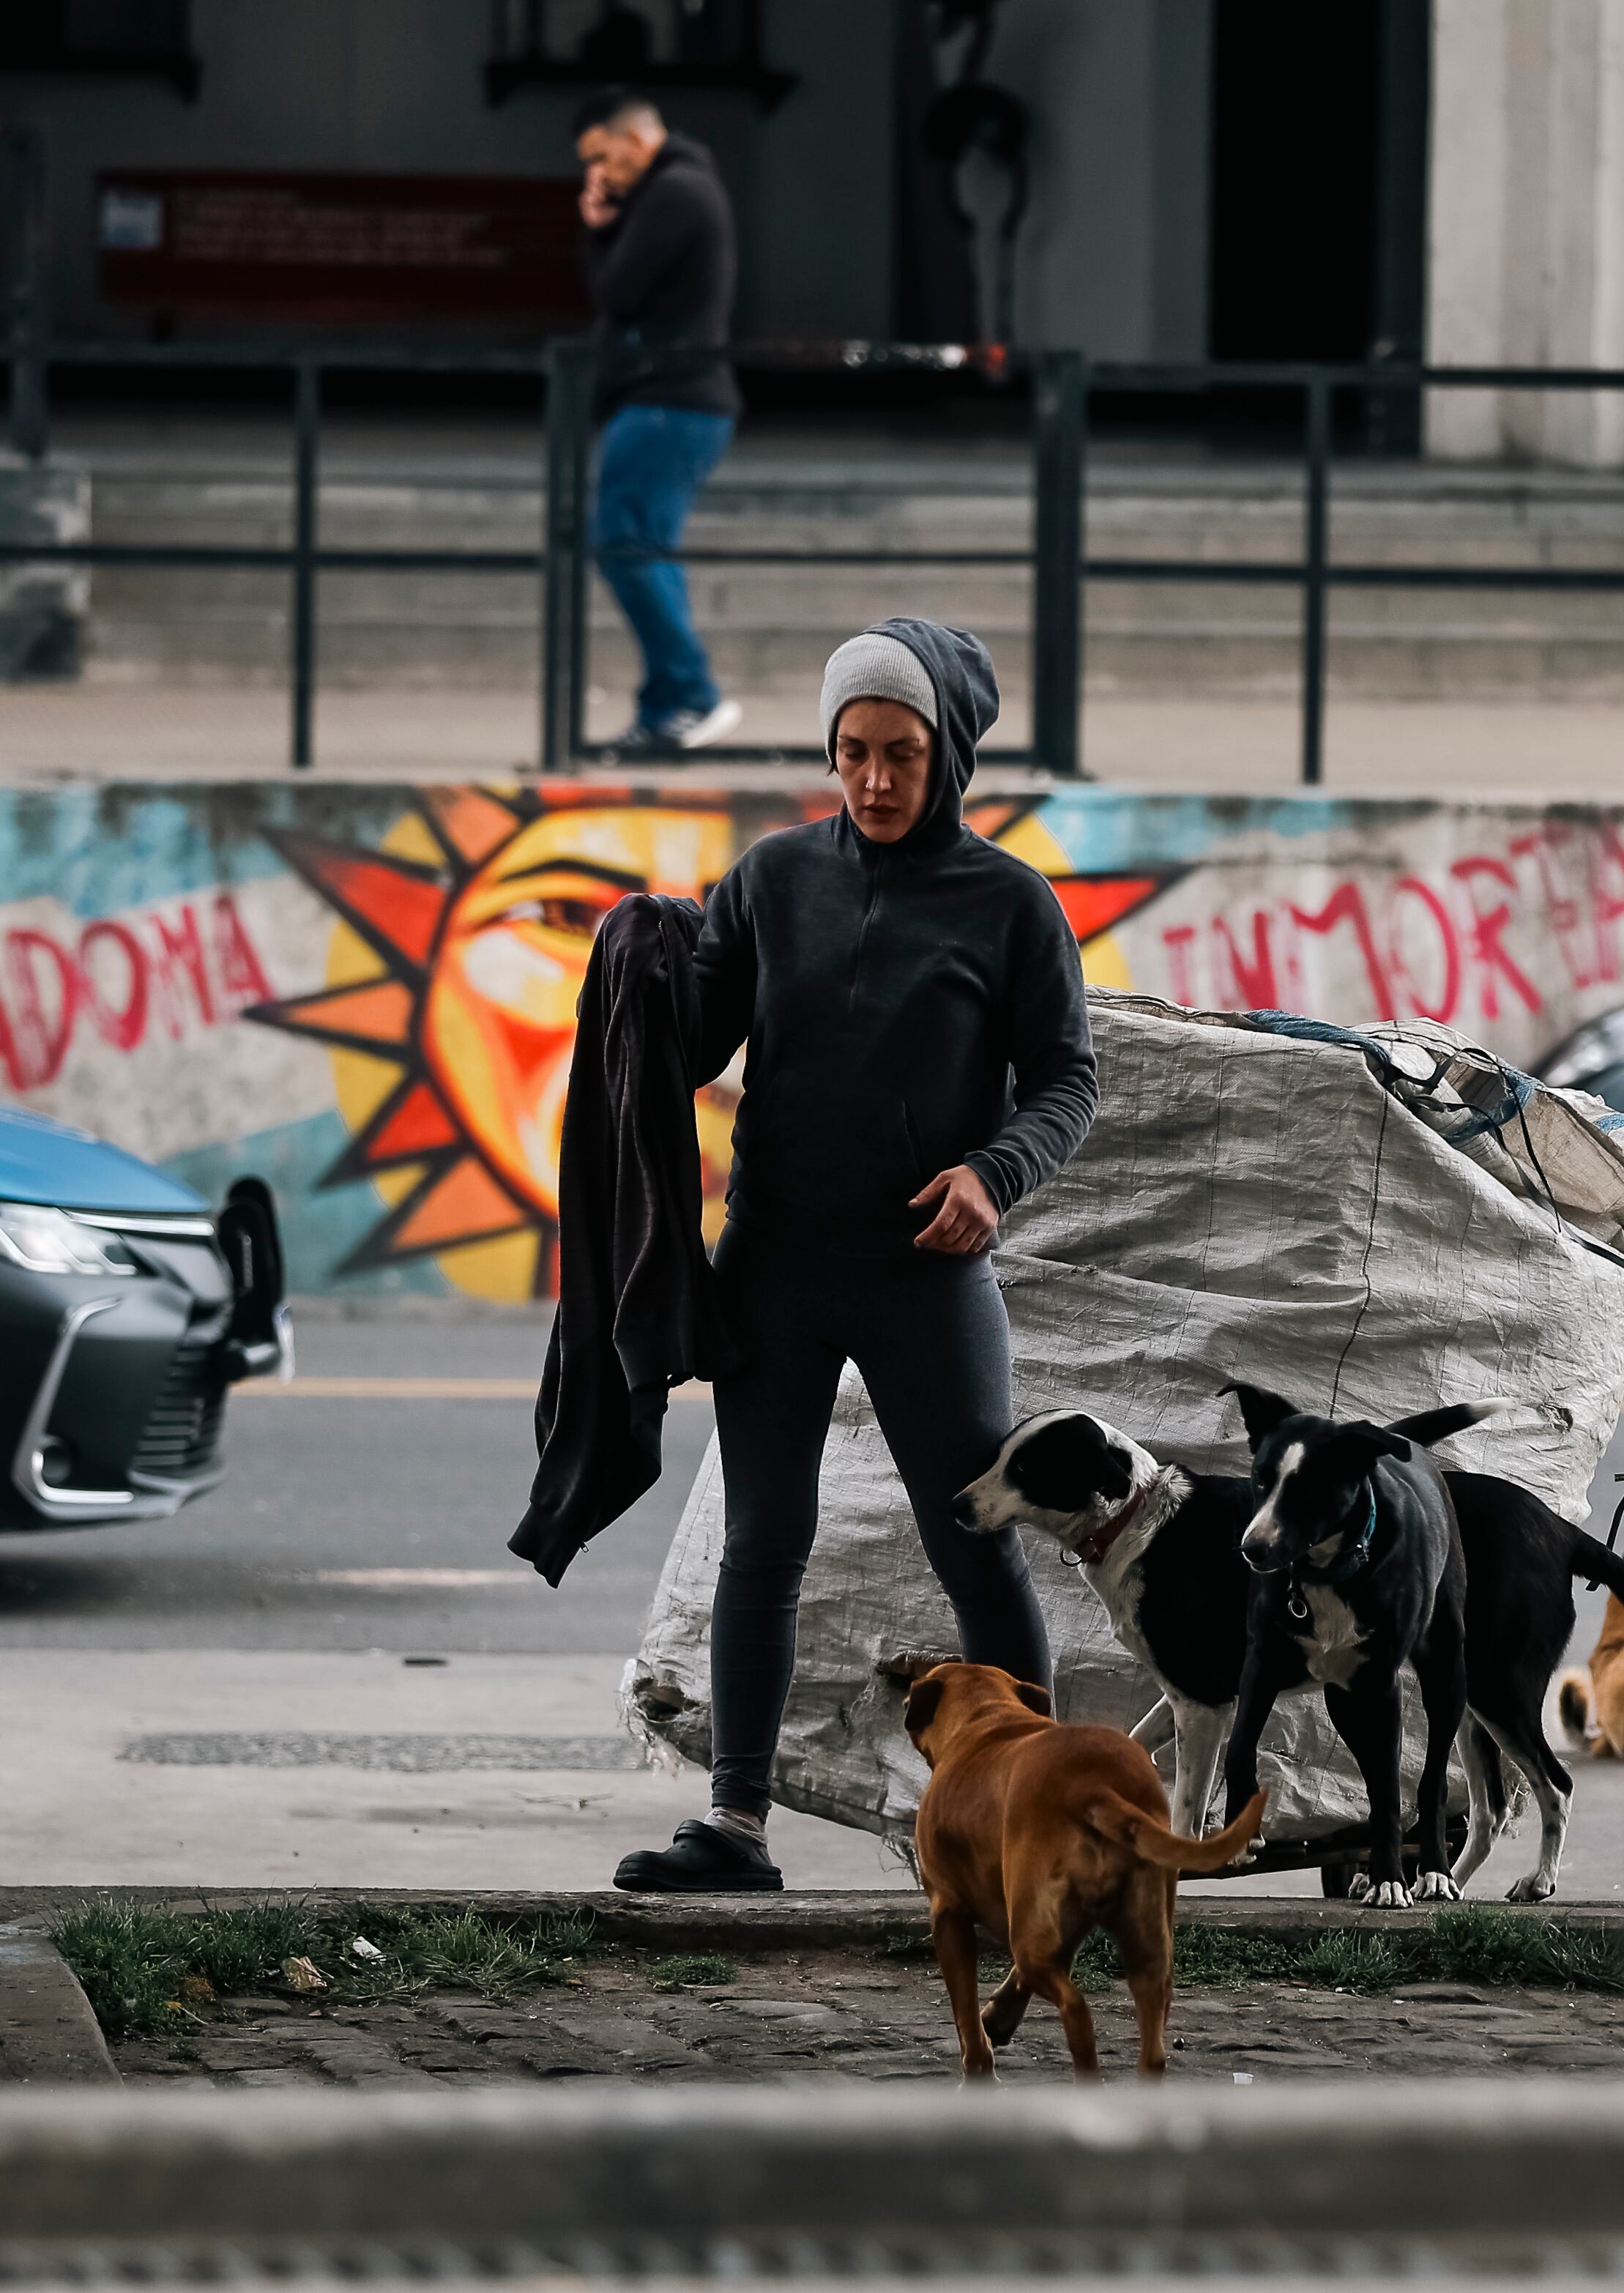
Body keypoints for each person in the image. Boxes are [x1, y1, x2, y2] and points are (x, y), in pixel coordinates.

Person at [614, 617, 1100, 1891]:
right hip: (772, 1259)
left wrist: (993, 1177)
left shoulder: (1008, 902)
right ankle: (735, 1828)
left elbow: (1065, 1079)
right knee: (762, 1541)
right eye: (852, 753)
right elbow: (701, 1039)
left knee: (974, 1542)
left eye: (900, 752)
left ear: (949, 755)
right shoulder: (773, 879)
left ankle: (1030, 1820)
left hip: (923, 1275)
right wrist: (648, 971)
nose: (876, 780)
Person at [574, 89, 743, 757]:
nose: (598, 174)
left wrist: (596, 227)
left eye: (602, 157)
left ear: (636, 139)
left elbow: (616, 291)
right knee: (643, 548)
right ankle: (667, 706)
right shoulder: (680, 187)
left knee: (624, 544)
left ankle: (693, 692)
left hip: (671, 400)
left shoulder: (674, 191)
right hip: (678, 401)